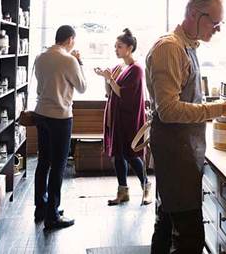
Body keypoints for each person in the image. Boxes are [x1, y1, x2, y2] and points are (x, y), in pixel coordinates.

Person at [146, 0, 226, 254]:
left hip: (184, 149)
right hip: (176, 153)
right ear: (195, 14)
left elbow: (184, 98)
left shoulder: (188, 46)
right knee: (189, 237)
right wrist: (223, 107)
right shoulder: (170, 48)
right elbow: (169, 111)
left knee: (166, 223)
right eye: (215, 23)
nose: (218, 29)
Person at [33, 25, 87, 229]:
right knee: (58, 165)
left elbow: (40, 86)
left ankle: (42, 208)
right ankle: (52, 215)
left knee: (43, 162)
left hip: (41, 113)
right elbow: (82, 87)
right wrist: (79, 62)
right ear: (71, 39)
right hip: (60, 117)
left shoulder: (41, 57)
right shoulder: (69, 60)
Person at [94, 28, 152, 206]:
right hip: (116, 117)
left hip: (129, 118)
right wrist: (106, 78)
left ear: (130, 47)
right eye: (115, 46)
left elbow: (125, 95)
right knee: (118, 155)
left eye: (119, 46)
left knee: (131, 154)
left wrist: (110, 79)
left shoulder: (136, 69)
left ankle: (146, 187)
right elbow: (110, 92)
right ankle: (122, 191)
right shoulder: (122, 67)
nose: (116, 49)